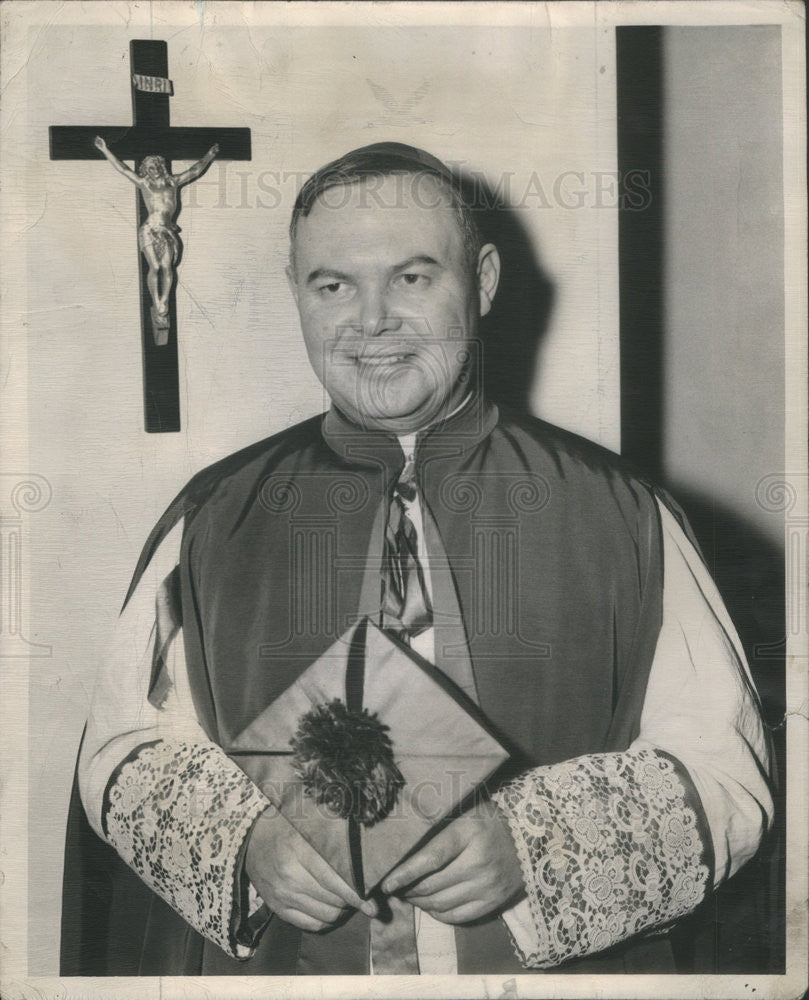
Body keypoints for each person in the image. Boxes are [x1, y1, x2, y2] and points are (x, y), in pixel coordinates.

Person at [61, 142, 773, 977]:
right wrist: (248, 842)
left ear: (484, 280)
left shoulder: (618, 514)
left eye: (412, 278)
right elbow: (125, 745)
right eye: (333, 286)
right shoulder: (217, 516)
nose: (370, 322)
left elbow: (726, 771)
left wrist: (536, 850)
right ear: (297, 294)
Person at [93, 137, 218, 340]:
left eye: (155, 166)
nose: (153, 170)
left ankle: (164, 302)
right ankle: (156, 300)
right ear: (146, 170)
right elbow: (123, 169)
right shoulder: (144, 184)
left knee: (168, 267)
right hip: (150, 229)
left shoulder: (173, 182)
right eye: (149, 168)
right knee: (156, 267)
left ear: (161, 166)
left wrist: (210, 156)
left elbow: (195, 170)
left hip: (167, 230)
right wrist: (105, 150)